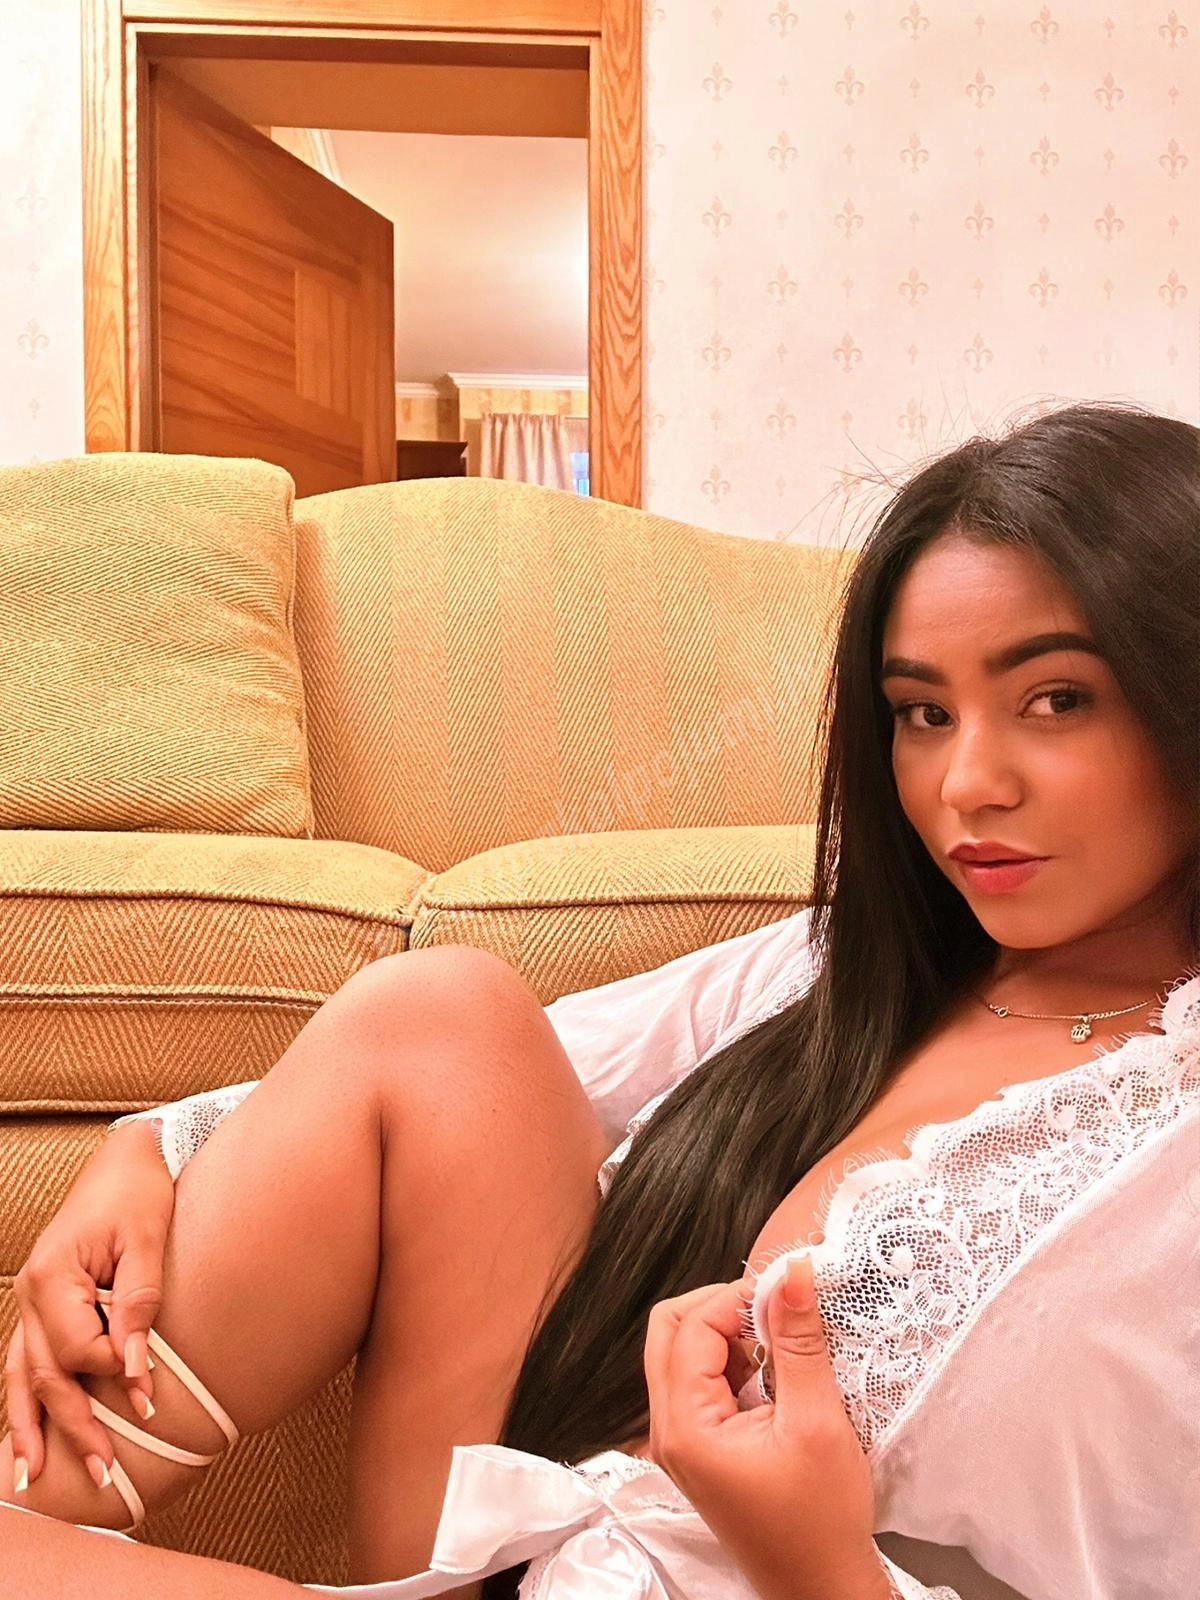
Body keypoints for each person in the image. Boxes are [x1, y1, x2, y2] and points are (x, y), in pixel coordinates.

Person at [2, 402, 1197, 1600]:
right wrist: (147, 1146)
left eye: (1057, 699)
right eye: (923, 714)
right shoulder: (854, 965)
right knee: (438, 1016)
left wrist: (820, 1566)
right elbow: (481, 1071)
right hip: (538, 1561)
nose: (967, 783)